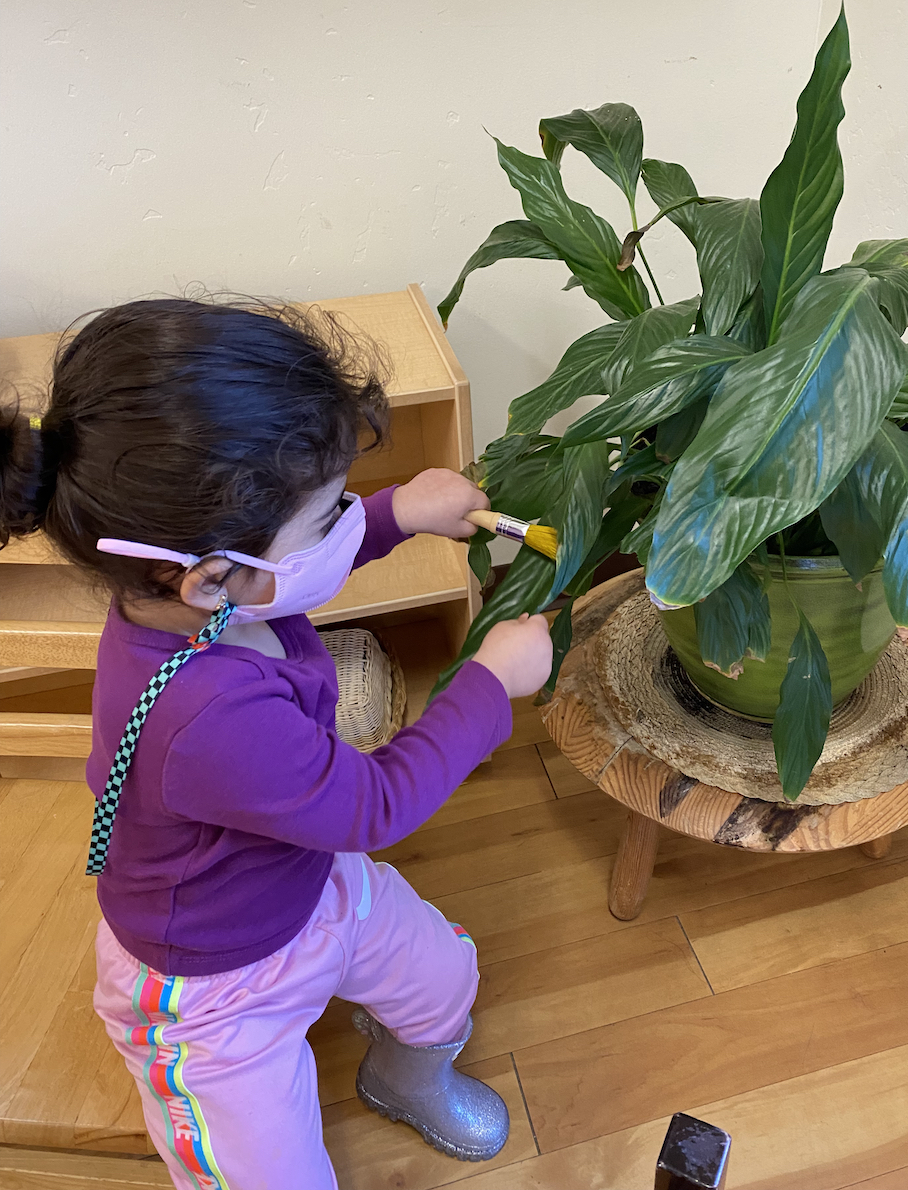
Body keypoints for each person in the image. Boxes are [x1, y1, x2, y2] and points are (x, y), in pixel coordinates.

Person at [0, 297, 553, 1190]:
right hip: (213, 991)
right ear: (208, 575)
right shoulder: (209, 715)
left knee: (446, 978)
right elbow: (375, 805)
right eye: (328, 511)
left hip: (304, 877)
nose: (345, 522)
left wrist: (396, 511)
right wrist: (488, 684)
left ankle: (405, 1074)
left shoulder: (206, 593)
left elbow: (289, 570)